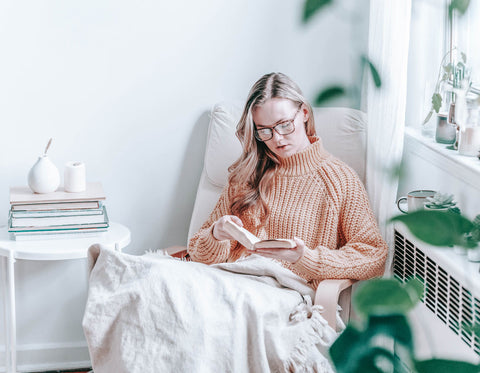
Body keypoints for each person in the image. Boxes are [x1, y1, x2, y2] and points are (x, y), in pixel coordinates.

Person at [188, 72, 387, 289]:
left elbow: (373, 256)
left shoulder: (340, 180)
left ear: (303, 113)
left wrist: (305, 258)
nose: (277, 139)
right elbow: (197, 252)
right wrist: (216, 235)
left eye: (284, 125)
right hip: (228, 283)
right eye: (264, 131)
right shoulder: (247, 174)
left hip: (281, 294)